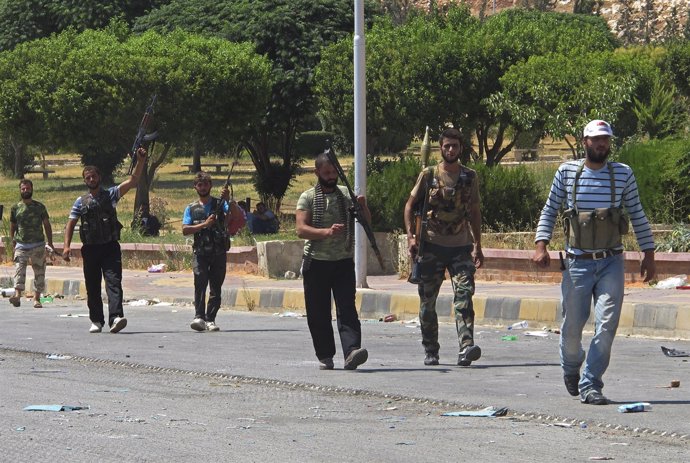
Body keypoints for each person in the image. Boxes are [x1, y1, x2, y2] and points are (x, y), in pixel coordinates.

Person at [532, 120, 656, 405]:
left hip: (611, 260)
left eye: (606, 140)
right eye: (596, 139)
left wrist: (648, 254)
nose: (602, 144)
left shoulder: (623, 175)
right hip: (577, 263)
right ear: (584, 141)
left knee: (607, 324)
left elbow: (637, 213)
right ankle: (571, 365)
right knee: (573, 327)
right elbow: (550, 209)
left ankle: (591, 384)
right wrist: (541, 245)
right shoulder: (567, 172)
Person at [403, 127, 484, 367]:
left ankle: (466, 346)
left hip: (460, 246)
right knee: (428, 303)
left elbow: (475, 211)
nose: (450, 150)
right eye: (447, 146)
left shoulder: (469, 176)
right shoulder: (428, 174)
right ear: (441, 148)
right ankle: (431, 349)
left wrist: (478, 244)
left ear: (461, 148)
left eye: (455, 146)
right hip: (431, 246)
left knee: (464, 296)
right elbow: (409, 206)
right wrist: (411, 237)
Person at [296, 151, 370, 370]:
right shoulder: (307, 197)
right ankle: (325, 355)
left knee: (347, 308)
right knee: (318, 312)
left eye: (334, 172)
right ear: (317, 172)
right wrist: (326, 232)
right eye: (326, 172)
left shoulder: (346, 194)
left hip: (343, 261)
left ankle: (352, 351)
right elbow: (301, 229)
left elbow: (366, 222)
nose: (331, 176)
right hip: (316, 262)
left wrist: (362, 206)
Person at [63, 148, 148, 334]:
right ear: (85, 181)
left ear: (99, 177)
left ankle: (116, 317)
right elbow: (70, 223)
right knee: (92, 286)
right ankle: (96, 320)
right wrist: (67, 246)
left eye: (94, 176)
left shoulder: (110, 195)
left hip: (110, 247)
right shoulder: (80, 202)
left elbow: (133, 181)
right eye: (88, 178)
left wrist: (140, 161)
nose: (91, 180)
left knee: (113, 282)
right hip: (91, 249)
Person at [182, 171, 242, 332]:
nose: (203, 187)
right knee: (200, 283)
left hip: (218, 252)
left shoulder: (220, 204)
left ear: (211, 185)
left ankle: (210, 319)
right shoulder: (191, 208)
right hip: (200, 253)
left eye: (206, 184)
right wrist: (204, 225)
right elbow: (185, 229)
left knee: (216, 287)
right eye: (200, 185)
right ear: (195, 187)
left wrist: (229, 199)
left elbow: (236, 216)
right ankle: (199, 317)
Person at [8, 179, 54, 308]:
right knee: (19, 270)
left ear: (32, 189)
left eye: (28, 188)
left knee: (39, 272)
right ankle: (17, 295)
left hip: (38, 244)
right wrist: (13, 241)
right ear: (20, 190)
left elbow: (46, 224)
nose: (25, 191)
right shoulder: (15, 208)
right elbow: (13, 225)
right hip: (21, 245)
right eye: (23, 189)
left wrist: (50, 243)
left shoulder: (40, 207)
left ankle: (37, 298)